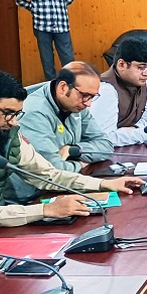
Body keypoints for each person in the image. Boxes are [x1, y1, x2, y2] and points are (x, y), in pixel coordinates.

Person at [0, 71, 144, 231]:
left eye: (17, 114)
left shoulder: (3, 130)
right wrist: (46, 210)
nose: (14, 122)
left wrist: (104, 184)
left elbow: (47, 175)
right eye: (8, 113)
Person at [12, 62, 115, 201]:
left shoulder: (77, 106)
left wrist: (74, 150)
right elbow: (53, 171)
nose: (88, 103)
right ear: (63, 87)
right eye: (85, 95)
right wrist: (80, 164)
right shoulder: (34, 113)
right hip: (31, 197)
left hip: (65, 186)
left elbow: (106, 145)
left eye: (92, 97)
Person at [89, 37, 147, 147]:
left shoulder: (146, 83)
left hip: (131, 147)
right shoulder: (106, 90)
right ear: (121, 65)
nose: (146, 73)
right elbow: (106, 138)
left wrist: (134, 129)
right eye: (141, 67)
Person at [16, 0, 75, 81]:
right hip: (42, 27)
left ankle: (71, 85)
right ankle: (52, 87)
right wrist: (34, 8)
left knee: (69, 61)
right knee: (47, 62)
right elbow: (19, 0)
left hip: (62, 25)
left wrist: (60, 7)